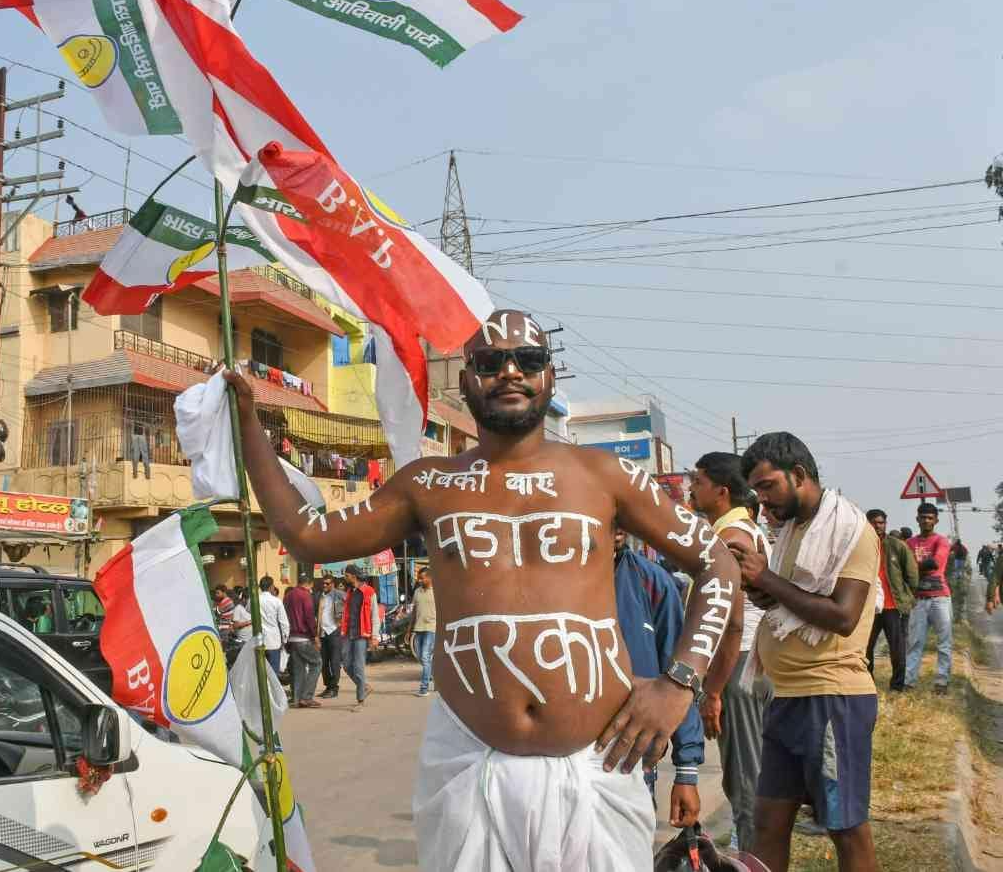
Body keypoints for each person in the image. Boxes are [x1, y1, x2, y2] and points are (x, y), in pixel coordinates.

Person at [223, 308, 741, 869]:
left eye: (529, 360)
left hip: (598, 764)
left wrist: (680, 682)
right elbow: (305, 534)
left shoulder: (604, 475)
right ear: (466, 380)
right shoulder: (429, 484)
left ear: (549, 376)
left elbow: (718, 564)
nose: (510, 372)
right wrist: (249, 423)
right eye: (491, 362)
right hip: (467, 761)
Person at [731, 432, 880, 872]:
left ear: (799, 475)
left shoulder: (851, 529)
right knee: (768, 820)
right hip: (788, 697)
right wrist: (764, 590)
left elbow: (843, 616)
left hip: (832, 697)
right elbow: (796, 599)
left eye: (768, 486)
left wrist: (769, 580)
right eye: (756, 491)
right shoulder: (794, 529)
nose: (763, 499)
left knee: (845, 826)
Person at [688, 452, 772, 854]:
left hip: (736, 666)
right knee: (753, 776)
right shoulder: (745, 529)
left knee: (744, 783)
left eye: (698, 481)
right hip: (752, 663)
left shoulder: (731, 539)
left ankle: (753, 858)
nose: (691, 488)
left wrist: (715, 691)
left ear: (720, 491)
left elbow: (731, 623)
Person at [613, 526, 704, 832]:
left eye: (621, 520)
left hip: (631, 760)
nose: (616, 530)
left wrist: (687, 770)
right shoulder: (546, 582)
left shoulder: (651, 582)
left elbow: (680, 678)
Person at [864, 509, 918, 693]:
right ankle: (867, 684)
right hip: (869, 607)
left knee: (897, 649)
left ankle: (897, 686)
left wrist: (908, 598)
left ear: (885, 524)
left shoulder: (897, 546)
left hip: (893, 605)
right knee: (865, 647)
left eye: (881, 522)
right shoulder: (861, 546)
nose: (877, 526)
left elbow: (912, 575)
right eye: (873, 522)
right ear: (867, 524)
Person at [904, 502, 952, 695]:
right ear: (917, 519)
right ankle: (909, 682)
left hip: (940, 598)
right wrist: (915, 568)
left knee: (944, 642)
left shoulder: (942, 541)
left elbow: (935, 563)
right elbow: (904, 568)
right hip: (918, 599)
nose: (926, 521)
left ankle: (941, 683)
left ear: (936, 520)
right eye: (923, 517)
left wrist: (912, 568)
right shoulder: (910, 544)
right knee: (915, 643)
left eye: (930, 518)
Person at [340, 566, 377, 709]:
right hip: (349, 633)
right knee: (346, 664)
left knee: (358, 667)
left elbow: (374, 616)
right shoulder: (350, 592)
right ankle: (365, 686)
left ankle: (360, 700)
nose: (345, 578)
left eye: (347, 575)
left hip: (362, 634)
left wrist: (375, 636)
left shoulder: (369, 592)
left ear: (353, 576)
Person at [283, 582, 323, 708]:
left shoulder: (288, 595)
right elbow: (309, 617)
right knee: (317, 663)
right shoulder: (305, 596)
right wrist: (315, 636)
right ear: (309, 584)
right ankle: (307, 697)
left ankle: (297, 699)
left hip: (292, 637)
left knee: (299, 669)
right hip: (303, 637)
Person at [409, 568, 437, 697]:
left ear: (430, 578)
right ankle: (435, 675)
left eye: (422, 578)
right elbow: (414, 611)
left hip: (431, 628)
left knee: (425, 657)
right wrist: (410, 628)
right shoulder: (417, 592)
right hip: (418, 628)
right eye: (419, 578)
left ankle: (424, 688)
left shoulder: (437, 591)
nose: (420, 580)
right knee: (420, 656)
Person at [316, 574, 345, 698]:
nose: (325, 585)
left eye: (327, 583)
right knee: (323, 662)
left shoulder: (338, 594)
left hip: (334, 631)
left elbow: (348, 603)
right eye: (323, 583)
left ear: (332, 584)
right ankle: (328, 686)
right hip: (322, 632)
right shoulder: (320, 596)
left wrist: (342, 622)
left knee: (334, 662)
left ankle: (334, 688)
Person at [257, 576, 291, 674]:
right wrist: (285, 639)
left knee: (261, 673)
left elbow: (247, 612)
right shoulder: (276, 601)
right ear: (271, 587)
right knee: (273, 673)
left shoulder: (253, 600)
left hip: (259, 641)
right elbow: (284, 622)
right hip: (274, 642)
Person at [949, 538, 970, 623]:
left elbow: (950, 549)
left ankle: (958, 576)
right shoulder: (963, 546)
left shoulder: (955, 546)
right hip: (963, 559)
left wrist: (951, 552)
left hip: (958, 559)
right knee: (961, 569)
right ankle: (960, 576)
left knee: (957, 569)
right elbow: (966, 551)